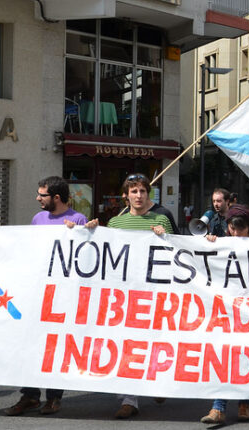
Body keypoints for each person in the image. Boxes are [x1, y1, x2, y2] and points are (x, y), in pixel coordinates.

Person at [0, 176, 88, 417]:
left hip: (63, 294)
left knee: (55, 346)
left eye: (42, 195)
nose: (37, 198)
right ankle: (29, 395)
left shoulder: (78, 219)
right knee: (31, 344)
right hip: (37, 291)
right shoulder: (37, 219)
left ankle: (53, 397)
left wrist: (83, 232)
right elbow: (27, 248)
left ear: (57, 198)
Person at [87, 173, 172, 419]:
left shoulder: (162, 219)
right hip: (125, 293)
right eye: (134, 191)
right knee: (125, 343)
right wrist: (90, 232)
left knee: (154, 342)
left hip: (154, 291)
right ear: (126, 196)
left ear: (149, 194)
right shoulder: (115, 224)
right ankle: (128, 400)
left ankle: (157, 382)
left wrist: (163, 237)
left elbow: (177, 249)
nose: (138, 196)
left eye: (143, 191)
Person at [201, 204, 249, 424]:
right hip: (225, 311)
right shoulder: (221, 245)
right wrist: (209, 245)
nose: (236, 234)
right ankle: (218, 407)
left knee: (247, 357)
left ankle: (244, 403)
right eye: (232, 229)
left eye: (240, 229)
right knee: (225, 357)